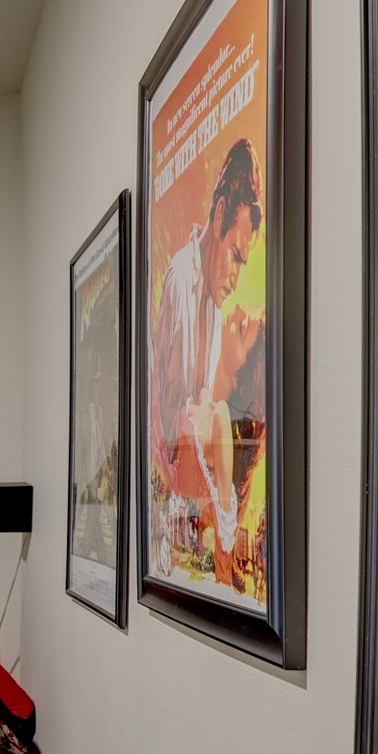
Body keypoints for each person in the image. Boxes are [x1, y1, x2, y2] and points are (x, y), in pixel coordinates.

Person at [148, 136, 264, 591]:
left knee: (217, 415)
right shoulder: (180, 281)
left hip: (192, 457)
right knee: (215, 416)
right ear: (219, 217)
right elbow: (173, 413)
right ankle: (225, 554)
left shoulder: (213, 303)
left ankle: (225, 557)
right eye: (236, 255)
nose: (236, 276)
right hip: (174, 456)